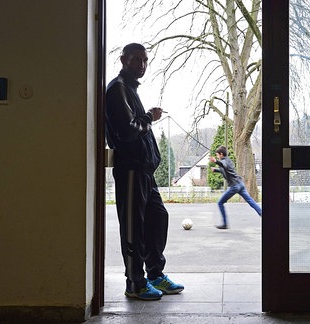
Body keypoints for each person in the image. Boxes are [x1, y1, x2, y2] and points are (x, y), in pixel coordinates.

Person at [105, 43, 183, 301]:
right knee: (133, 229)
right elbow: (127, 131)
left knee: (158, 219)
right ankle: (135, 283)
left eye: (144, 60)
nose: (141, 64)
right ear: (123, 60)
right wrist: (149, 116)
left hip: (145, 173)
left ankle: (155, 275)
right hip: (130, 170)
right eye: (136, 59)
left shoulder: (130, 89)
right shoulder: (117, 88)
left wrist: (147, 116)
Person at [209, 145, 262, 229]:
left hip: (234, 186)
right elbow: (225, 170)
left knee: (220, 202)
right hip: (240, 184)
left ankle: (225, 224)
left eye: (217, 155)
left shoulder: (224, 162)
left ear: (221, 154)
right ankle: (261, 213)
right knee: (250, 200)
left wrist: (215, 161)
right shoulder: (228, 161)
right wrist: (215, 170)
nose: (217, 156)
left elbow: (223, 165)